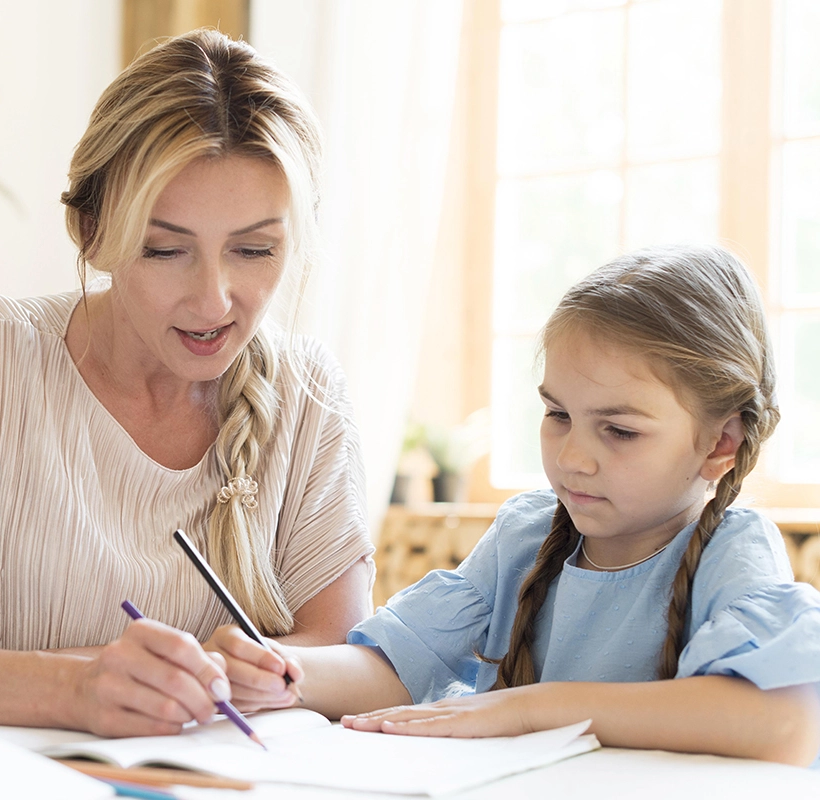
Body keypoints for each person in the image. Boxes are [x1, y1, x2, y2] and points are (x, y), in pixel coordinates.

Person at [0, 29, 374, 735]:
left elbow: (351, 660)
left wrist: (229, 674)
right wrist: (71, 689)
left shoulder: (308, 397)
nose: (213, 300)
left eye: (256, 249)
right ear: (90, 229)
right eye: (165, 249)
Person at [219, 245, 820, 766]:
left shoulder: (730, 549)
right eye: (558, 415)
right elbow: (397, 667)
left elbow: (787, 725)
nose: (573, 458)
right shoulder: (524, 536)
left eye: (619, 430)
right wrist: (279, 672)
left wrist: (539, 707)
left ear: (721, 443)